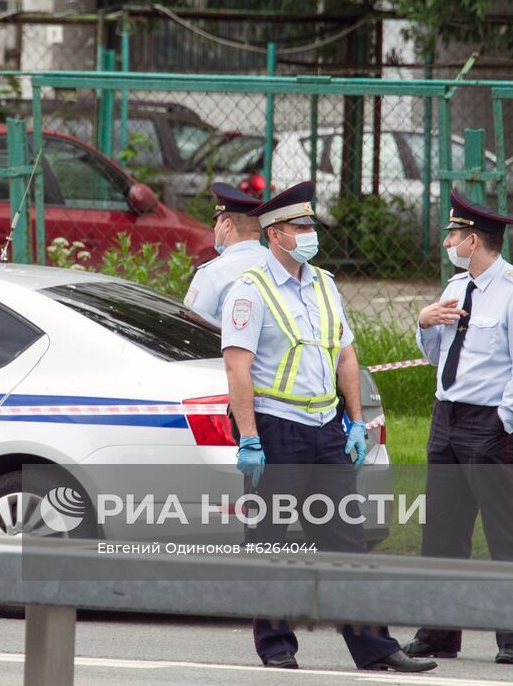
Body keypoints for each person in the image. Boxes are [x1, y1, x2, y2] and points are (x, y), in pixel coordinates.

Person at [221, 181, 435, 674]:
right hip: (277, 428)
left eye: (311, 225)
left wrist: (356, 421)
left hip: (325, 426)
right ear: (276, 235)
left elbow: (345, 354)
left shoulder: (323, 283)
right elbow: (237, 368)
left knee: (346, 541)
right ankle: (277, 647)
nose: (310, 233)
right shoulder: (249, 292)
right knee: (271, 540)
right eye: (301, 226)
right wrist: (250, 438)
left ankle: (375, 648)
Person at [404, 190, 513, 665]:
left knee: (506, 532)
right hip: (447, 419)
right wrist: (424, 323)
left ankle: (512, 635)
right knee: (442, 532)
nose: (448, 242)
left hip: (491, 423)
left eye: (454, 234)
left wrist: (504, 424)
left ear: (475, 239)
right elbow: (437, 356)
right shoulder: (454, 286)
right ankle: (439, 631)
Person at [183, 182, 269, 327]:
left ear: (227, 226)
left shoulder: (213, 272)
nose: (215, 228)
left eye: (217, 222)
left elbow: (191, 326)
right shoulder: (277, 264)